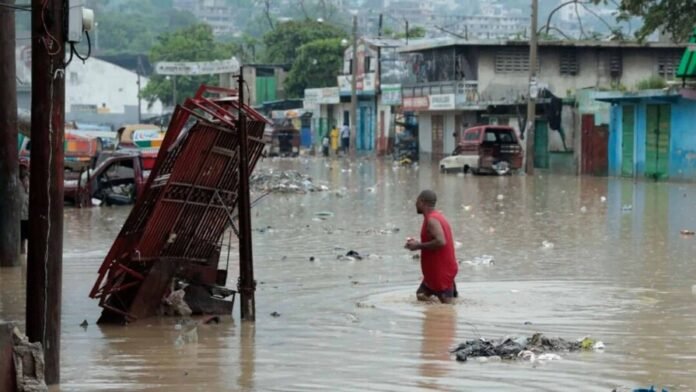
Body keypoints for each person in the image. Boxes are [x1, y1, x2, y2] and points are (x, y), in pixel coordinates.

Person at [405, 190, 458, 304]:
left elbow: (441, 241)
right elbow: (436, 240)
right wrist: (417, 243)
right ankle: (433, 315)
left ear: (422, 202)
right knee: (421, 295)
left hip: (440, 272)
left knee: (447, 308)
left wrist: (418, 246)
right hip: (435, 272)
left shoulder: (432, 220)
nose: (415, 204)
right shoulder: (436, 217)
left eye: (417, 201)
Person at [19, 165, 29, 255]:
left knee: (23, 241)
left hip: (27, 217)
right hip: (19, 218)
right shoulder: (17, 186)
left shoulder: (29, 186)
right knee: (21, 241)